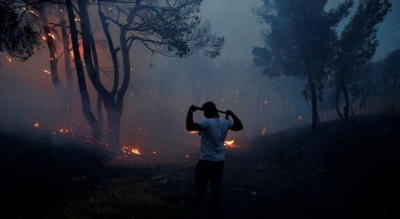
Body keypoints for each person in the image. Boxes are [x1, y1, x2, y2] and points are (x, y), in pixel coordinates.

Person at [186, 101, 243, 219]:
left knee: (200, 188)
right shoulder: (225, 122)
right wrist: (232, 114)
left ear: (207, 112)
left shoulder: (206, 122)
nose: (204, 114)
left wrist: (190, 111)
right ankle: (215, 213)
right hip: (219, 161)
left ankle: (198, 212)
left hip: (205, 161)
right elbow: (240, 126)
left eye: (204, 111)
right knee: (216, 186)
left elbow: (189, 127)